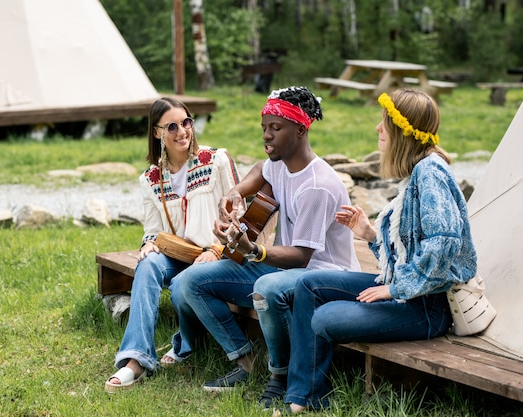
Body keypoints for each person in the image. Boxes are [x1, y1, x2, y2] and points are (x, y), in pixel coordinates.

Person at [280, 88, 478, 414]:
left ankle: (305, 394)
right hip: (406, 290)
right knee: (309, 285)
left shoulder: (431, 174)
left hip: (426, 306)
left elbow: (443, 243)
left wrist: (394, 288)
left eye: (384, 122)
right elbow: (410, 248)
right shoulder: (418, 171)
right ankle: (303, 396)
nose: (377, 128)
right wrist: (370, 234)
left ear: (402, 131)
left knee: (326, 317)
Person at [168, 86, 360, 407]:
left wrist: (254, 250)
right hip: (282, 268)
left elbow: (301, 256)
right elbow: (261, 168)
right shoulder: (280, 163)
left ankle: (280, 374)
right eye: (264, 128)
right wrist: (235, 194)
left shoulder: (317, 186)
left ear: (300, 129)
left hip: (323, 278)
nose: (267, 136)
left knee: (266, 286)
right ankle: (244, 361)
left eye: (276, 128)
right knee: (190, 280)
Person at [105, 97, 240, 392]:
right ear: (157, 133)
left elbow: (240, 214)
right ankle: (136, 360)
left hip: (218, 254)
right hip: (180, 254)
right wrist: (148, 245)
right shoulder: (151, 179)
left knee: (182, 286)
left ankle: (184, 344)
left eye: (187, 122)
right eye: (173, 127)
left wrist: (217, 249)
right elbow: (152, 230)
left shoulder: (215, 160)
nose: (183, 132)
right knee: (148, 263)